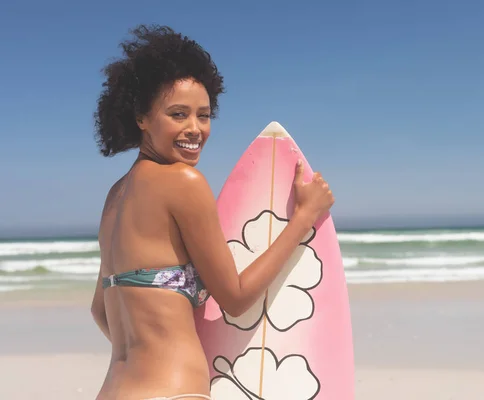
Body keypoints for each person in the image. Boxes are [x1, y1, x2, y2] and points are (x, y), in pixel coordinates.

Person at [90, 24, 335, 400]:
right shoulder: (183, 181)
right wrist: (304, 217)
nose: (195, 129)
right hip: (173, 390)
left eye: (203, 116)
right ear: (141, 117)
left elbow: (100, 310)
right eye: (178, 114)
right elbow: (235, 297)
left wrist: (147, 339)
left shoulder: (114, 198)